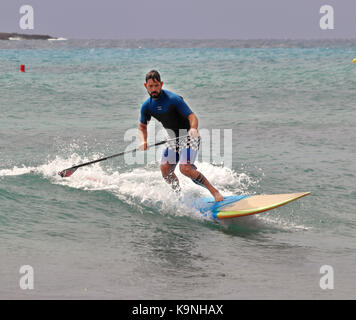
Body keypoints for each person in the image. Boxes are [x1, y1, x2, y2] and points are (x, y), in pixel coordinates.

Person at [138, 70, 224, 202]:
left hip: (189, 136)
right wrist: (143, 141)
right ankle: (179, 197)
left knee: (185, 168)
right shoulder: (146, 106)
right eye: (151, 86)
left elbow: (192, 116)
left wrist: (193, 128)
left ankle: (215, 193)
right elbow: (142, 126)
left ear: (161, 84)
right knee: (165, 170)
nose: (154, 89)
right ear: (146, 86)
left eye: (156, 86)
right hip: (173, 137)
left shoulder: (173, 100)